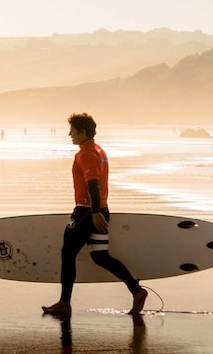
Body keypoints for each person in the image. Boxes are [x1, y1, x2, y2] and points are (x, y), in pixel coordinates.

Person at [42, 112, 147, 316]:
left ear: (82, 132)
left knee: (68, 251)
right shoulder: (98, 150)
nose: (69, 134)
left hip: (88, 211)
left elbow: (93, 184)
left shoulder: (87, 154)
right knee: (100, 256)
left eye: (72, 131)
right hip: (96, 209)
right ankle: (136, 290)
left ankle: (65, 303)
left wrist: (95, 213)